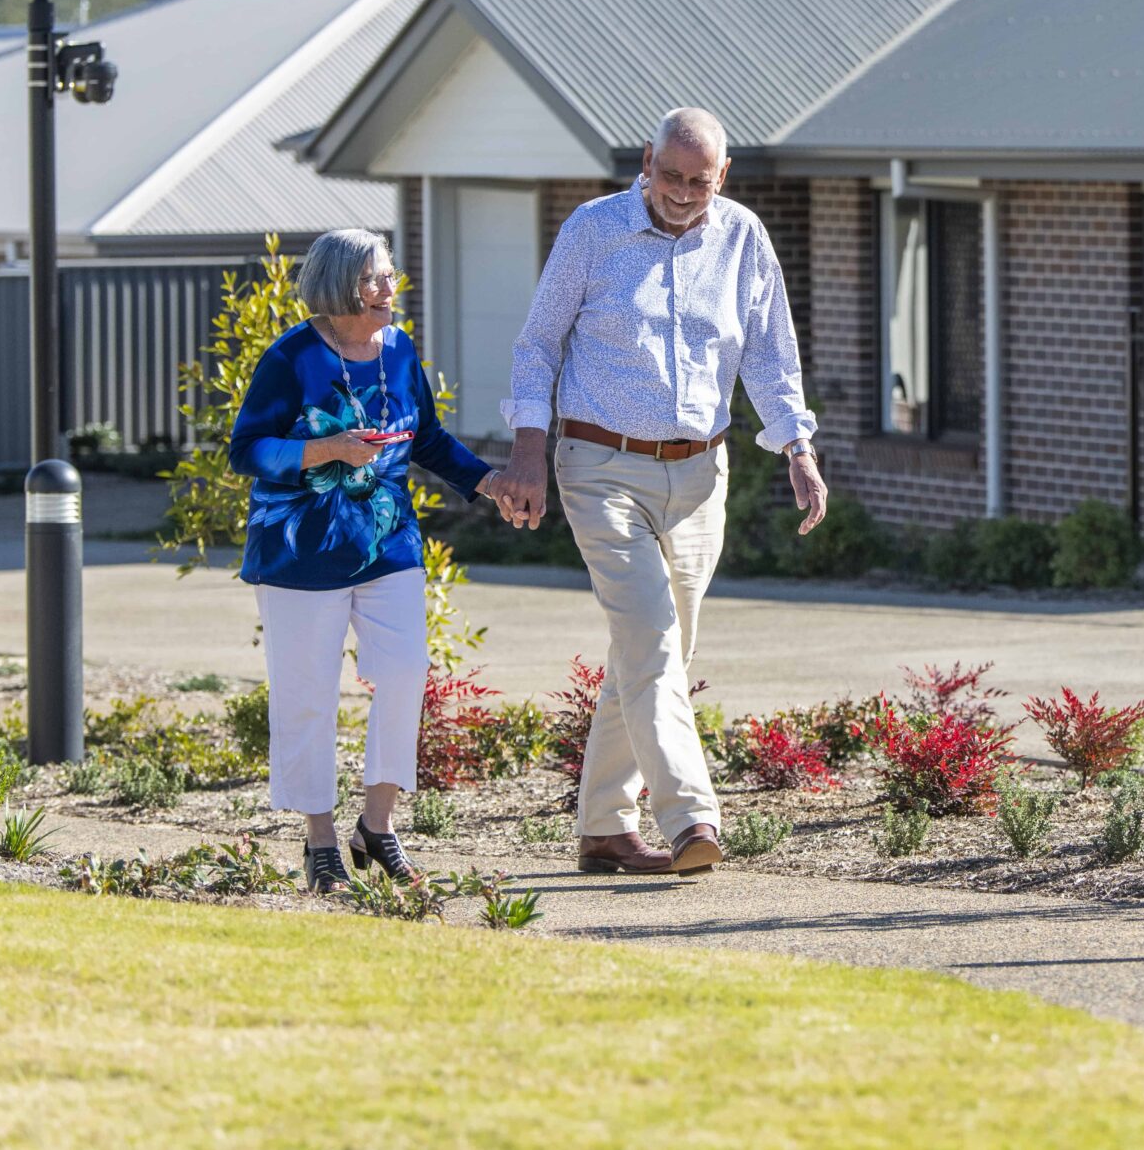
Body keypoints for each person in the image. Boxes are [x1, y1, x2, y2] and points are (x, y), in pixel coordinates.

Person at [493, 106, 825, 876]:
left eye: (698, 182)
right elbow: (538, 344)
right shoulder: (591, 229)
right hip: (600, 464)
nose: (680, 193)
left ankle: (605, 828)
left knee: (655, 650)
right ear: (647, 159)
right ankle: (690, 817)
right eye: (669, 175)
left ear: (722, 178)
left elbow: (772, 356)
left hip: (702, 475)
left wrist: (798, 450)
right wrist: (528, 452)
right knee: (651, 639)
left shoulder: (742, 237)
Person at [228, 228, 510, 892]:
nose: (390, 289)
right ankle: (320, 839)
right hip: (300, 551)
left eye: (390, 276)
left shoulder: (401, 349)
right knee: (307, 697)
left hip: (387, 542)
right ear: (339, 288)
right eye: (377, 279)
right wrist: (325, 450)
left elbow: (429, 438)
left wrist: (487, 482)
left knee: (407, 668)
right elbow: (246, 448)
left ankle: (377, 826)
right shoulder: (291, 358)